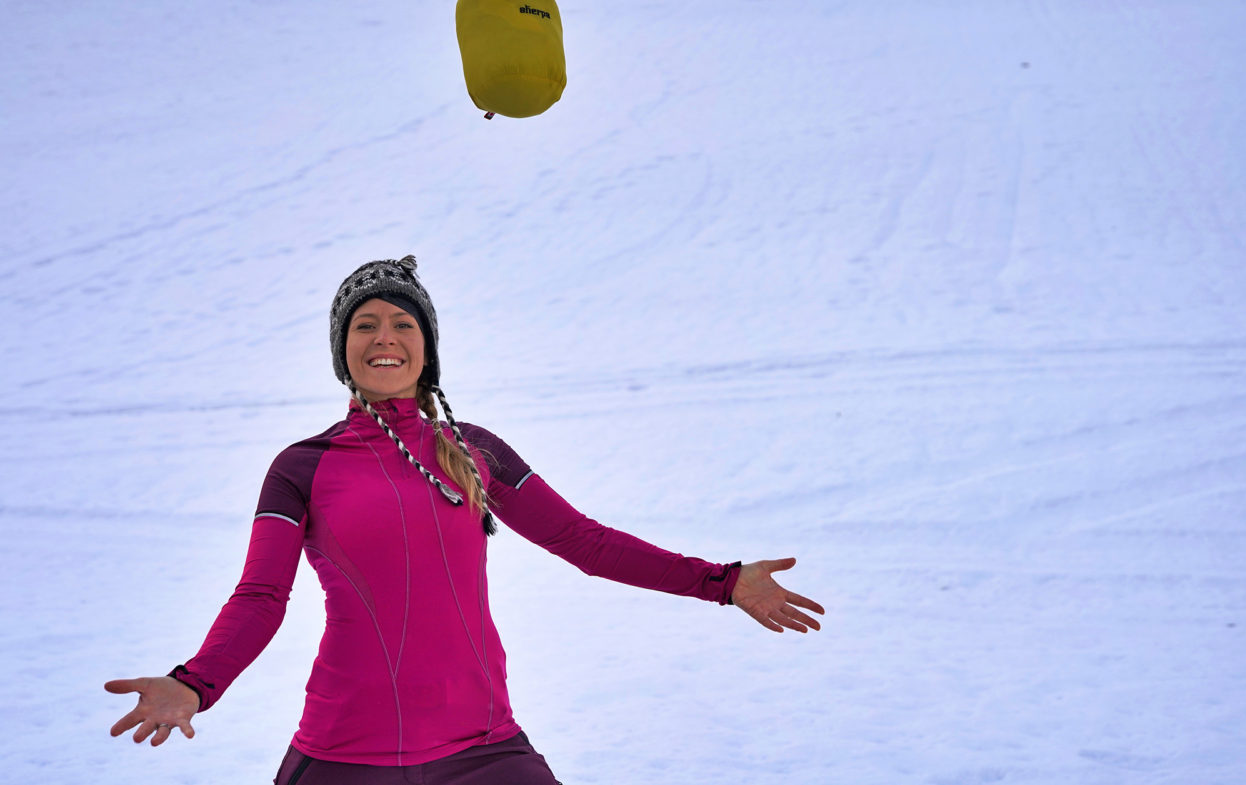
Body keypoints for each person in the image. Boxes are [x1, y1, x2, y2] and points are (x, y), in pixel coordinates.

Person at [106, 255, 824, 784]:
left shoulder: (474, 452)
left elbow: (584, 541)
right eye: (364, 324)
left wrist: (721, 581)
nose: (384, 336)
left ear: (426, 348)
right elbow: (262, 595)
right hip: (346, 753)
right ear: (342, 350)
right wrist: (195, 681)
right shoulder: (302, 466)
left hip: (485, 749)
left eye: (402, 323)